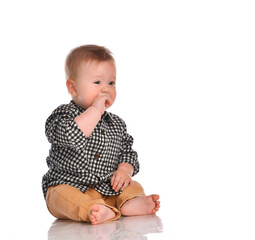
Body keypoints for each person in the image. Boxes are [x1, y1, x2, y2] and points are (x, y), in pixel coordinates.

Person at [42, 45, 160, 225]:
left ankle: (130, 202)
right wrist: (96, 109)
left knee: (132, 185)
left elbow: (128, 152)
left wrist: (124, 171)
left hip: (108, 188)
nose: (106, 89)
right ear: (73, 88)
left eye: (111, 83)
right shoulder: (63, 115)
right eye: (97, 83)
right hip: (68, 185)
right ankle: (92, 209)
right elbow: (71, 136)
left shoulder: (116, 123)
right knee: (60, 197)